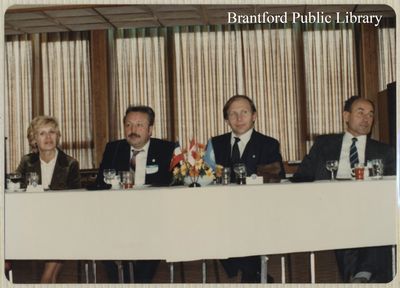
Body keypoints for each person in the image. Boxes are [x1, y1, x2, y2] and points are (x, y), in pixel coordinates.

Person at [293, 96, 395, 283]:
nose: (366, 118)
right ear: (346, 116)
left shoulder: (384, 151)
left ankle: (358, 275)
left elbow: (390, 187)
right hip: (331, 206)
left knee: (377, 217)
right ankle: (363, 274)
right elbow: (302, 175)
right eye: (360, 112)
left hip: (369, 207)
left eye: (370, 114)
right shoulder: (324, 144)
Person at [207, 95, 285, 283]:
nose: (239, 118)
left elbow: (273, 179)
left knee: (245, 225)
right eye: (232, 114)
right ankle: (254, 271)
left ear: (254, 116)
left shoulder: (268, 144)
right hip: (222, 210)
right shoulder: (215, 144)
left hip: (258, 209)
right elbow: (206, 178)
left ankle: (251, 272)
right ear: (226, 119)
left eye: (244, 112)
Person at [96, 105, 175, 283]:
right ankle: (119, 281)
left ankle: (140, 282)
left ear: (150, 129)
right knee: (100, 235)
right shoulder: (114, 148)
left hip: (154, 215)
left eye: (139, 125)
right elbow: (100, 183)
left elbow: (175, 185)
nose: (133, 130)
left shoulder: (166, 149)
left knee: (153, 234)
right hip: (118, 214)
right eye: (129, 125)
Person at [16, 115, 81, 283]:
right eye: (42, 133)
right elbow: (18, 192)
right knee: (50, 276)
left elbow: (77, 199)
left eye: (52, 132)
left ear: (58, 136)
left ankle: (45, 280)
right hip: (33, 220)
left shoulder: (70, 163)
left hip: (63, 221)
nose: (48, 137)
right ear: (34, 139)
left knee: (47, 276)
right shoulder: (26, 162)